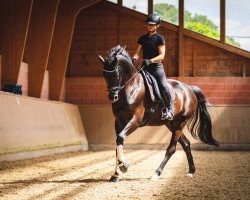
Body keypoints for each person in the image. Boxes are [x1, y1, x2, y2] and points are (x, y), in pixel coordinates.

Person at [132, 13, 173, 120]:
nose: (150, 26)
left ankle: (169, 109)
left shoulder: (160, 38)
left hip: (156, 68)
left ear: (157, 25)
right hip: (145, 68)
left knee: (163, 86)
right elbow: (137, 53)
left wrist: (150, 60)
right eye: (149, 24)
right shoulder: (142, 38)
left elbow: (162, 55)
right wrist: (133, 60)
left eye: (152, 24)